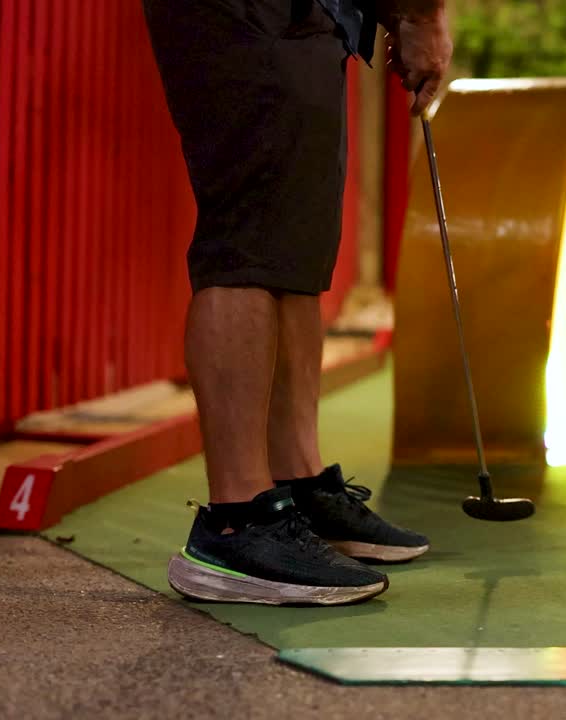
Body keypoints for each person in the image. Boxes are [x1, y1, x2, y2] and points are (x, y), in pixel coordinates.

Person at [141, 0, 453, 605]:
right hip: (248, 12)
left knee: (296, 250)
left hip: (310, 14)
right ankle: (237, 523)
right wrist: (419, 14)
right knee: (251, 242)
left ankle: (296, 485)